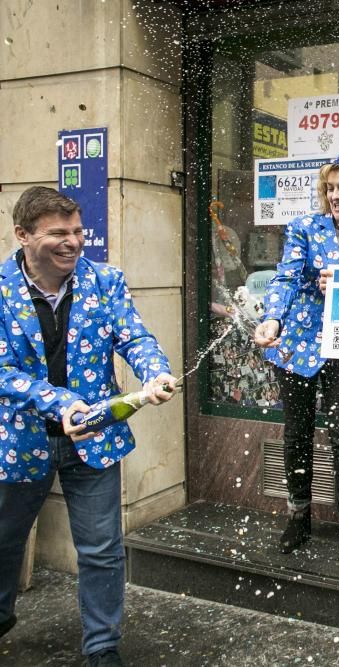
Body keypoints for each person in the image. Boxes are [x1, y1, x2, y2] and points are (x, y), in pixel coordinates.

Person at [0, 187, 177, 667]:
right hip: (20, 443)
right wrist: (60, 402)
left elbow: (133, 334)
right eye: (58, 233)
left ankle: (102, 647)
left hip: (94, 440)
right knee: (5, 541)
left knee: (100, 550)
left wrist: (153, 370)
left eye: (77, 231)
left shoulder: (105, 280)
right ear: (22, 235)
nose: (73, 241)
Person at [253, 147, 339, 566]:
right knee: (297, 432)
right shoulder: (305, 226)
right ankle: (298, 515)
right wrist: (272, 319)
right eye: (330, 187)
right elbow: (286, 276)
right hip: (299, 341)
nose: (336, 195)